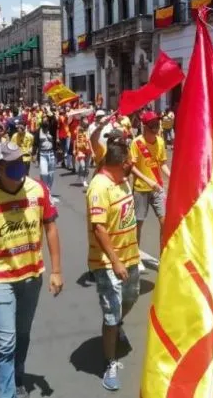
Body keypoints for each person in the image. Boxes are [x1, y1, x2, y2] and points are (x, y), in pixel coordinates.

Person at [0, 141, 63, 398]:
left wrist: (56, 271)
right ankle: (6, 393)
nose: (20, 167)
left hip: (32, 276)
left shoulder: (38, 190)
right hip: (0, 279)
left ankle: (18, 378)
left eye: (21, 161)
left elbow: (50, 227)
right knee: (5, 342)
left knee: (23, 334)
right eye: (12, 164)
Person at [85, 136, 140, 391]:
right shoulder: (99, 187)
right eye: (129, 161)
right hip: (108, 263)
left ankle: (117, 326)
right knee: (111, 312)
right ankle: (110, 362)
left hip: (130, 256)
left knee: (132, 297)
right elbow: (99, 229)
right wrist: (115, 262)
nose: (132, 164)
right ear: (120, 163)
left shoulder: (123, 180)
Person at [129, 110, 170, 270]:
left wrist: (171, 177)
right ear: (145, 126)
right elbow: (131, 166)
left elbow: (163, 164)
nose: (156, 126)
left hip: (157, 188)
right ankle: (135, 256)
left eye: (157, 123)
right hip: (141, 189)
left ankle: (163, 257)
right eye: (153, 124)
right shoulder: (136, 143)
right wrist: (146, 180)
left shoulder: (160, 142)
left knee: (165, 221)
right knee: (139, 223)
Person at [32, 110, 59, 201]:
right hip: (42, 154)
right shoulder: (38, 131)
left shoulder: (52, 130)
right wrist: (33, 154)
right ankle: (44, 190)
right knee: (44, 173)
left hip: (51, 154)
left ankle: (48, 192)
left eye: (46, 119)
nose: (45, 120)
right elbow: (35, 144)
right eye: (43, 118)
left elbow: (55, 122)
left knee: (51, 174)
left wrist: (50, 114)